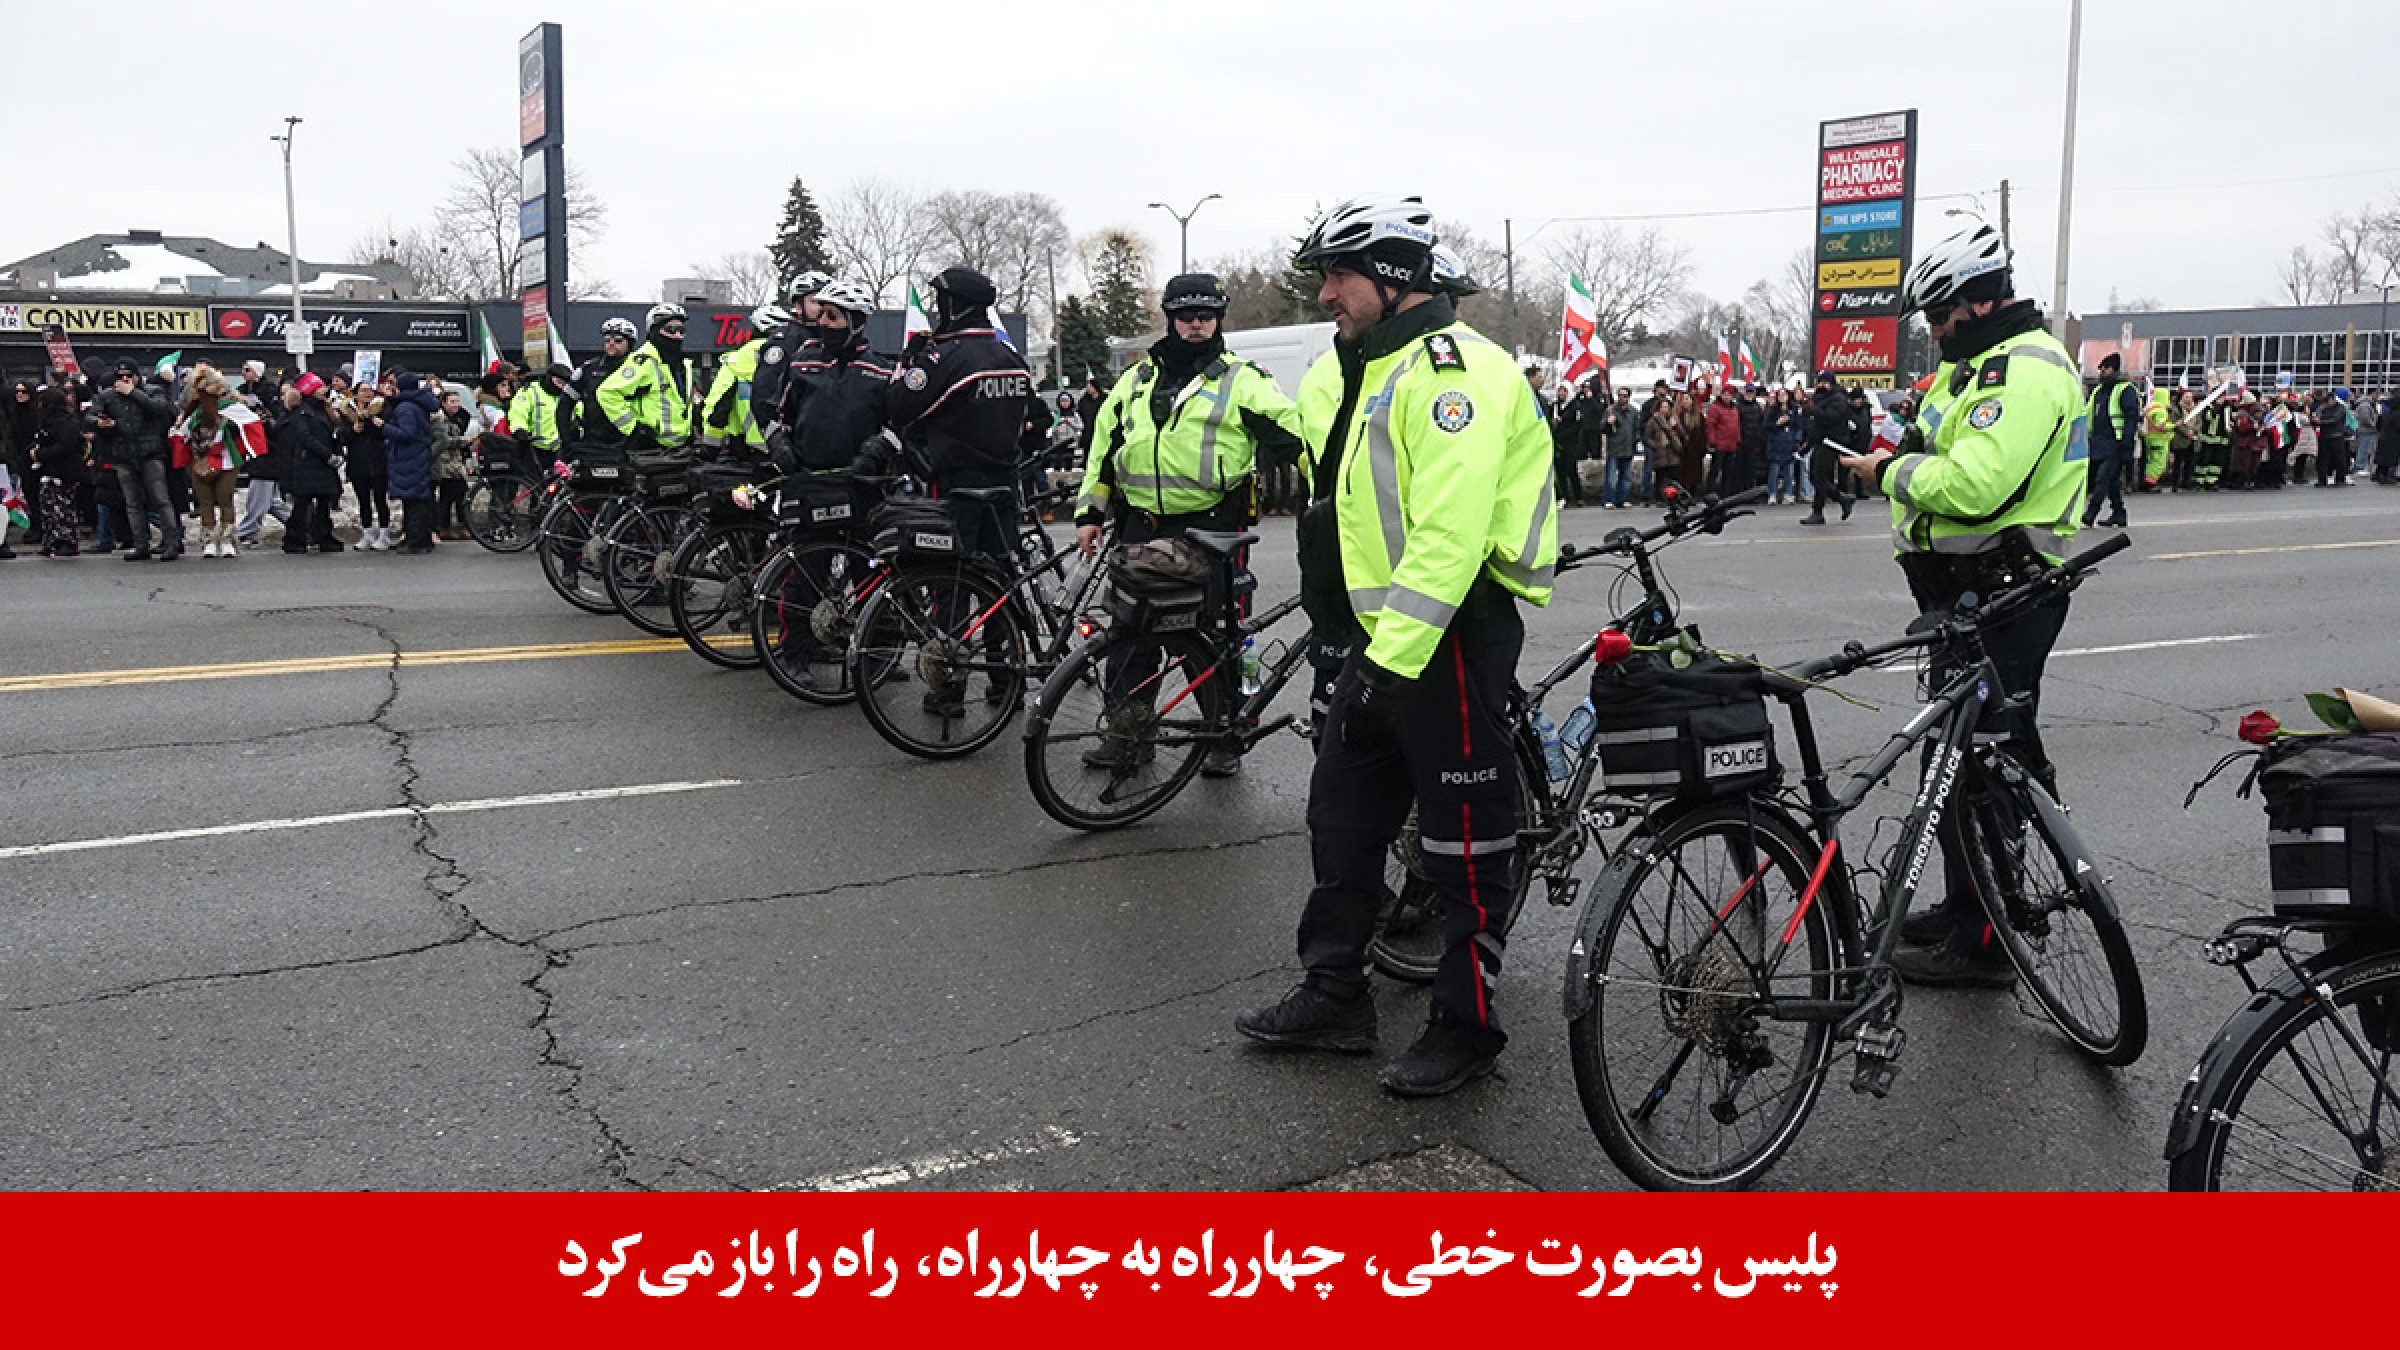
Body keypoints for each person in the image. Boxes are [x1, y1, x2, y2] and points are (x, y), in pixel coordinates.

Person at [1235, 195, 1556, 1097]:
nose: (1326, 293)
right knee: (1340, 821)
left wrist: (1392, 661)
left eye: (1338, 275)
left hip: (1447, 637)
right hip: (1376, 641)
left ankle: (1468, 1025)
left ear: (1395, 278)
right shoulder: (1359, 363)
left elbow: (1448, 541)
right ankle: (1335, 993)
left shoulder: (1455, 374)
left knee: (1462, 845)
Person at [1838, 221, 2087, 988]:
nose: (1932, 330)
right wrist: (1896, 453)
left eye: (1938, 315)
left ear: (1976, 303)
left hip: (2008, 592)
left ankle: (1984, 941)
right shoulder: (1972, 366)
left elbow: (1976, 488)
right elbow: (1929, 444)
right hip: (1962, 594)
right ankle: (1966, 905)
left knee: (1984, 765)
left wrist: (1888, 474)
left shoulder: (2024, 369)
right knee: (1956, 760)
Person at [1073, 272, 1306, 778]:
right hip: (1140, 527)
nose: (1196, 323)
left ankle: (1223, 731)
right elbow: (1104, 450)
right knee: (1131, 634)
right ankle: (1127, 735)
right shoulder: (1135, 381)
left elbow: (1297, 439)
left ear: (1219, 318)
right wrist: (1090, 513)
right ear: (1170, 319)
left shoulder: (1243, 379)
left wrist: (1329, 502)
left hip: (1212, 529)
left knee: (1216, 636)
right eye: (1185, 315)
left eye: (1206, 315)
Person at [95, 365, 176, 560]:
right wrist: (101, 423)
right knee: (133, 503)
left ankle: (172, 543)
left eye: (128, 375)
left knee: (161, 500)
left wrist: (133, 393)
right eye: (120, 376)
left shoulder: (152, 391)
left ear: (137, 377)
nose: (124, 379)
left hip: (150, 454)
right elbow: (91, 415)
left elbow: (160, 408)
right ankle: (141, 545)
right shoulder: (108, 396)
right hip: (123, 455)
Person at [596, 305, 695, 451]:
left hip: (680, 446)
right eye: (671, 330)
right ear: (655, 330)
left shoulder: (684, 364)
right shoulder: (644, 361)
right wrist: (634, 430)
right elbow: (607, 393)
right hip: (651, 449)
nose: (678, 336)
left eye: (682, 330)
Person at [748, 273, 830, 435]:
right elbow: (764, 394)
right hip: (796, 437)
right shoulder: (785, 342)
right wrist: (776, 438)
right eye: (815, 301)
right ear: (798, 306)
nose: (822, 307)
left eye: (826, 302)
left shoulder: (834, 339)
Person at [702, 303, 789, 456]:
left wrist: (711, 446)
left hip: (749, 450)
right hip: (790, 448)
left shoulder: (735, 360)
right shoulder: (796, 355)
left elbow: (717, 406)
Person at [278, 373, 345, 553]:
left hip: (323, 464)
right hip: (308, 462)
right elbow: (305, 436)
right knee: (302, 502)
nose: (325, 389)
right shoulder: (301, 411)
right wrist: (327, 455)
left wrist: (337, 449)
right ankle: (294, 537)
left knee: (324, 502)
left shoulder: (324, 409)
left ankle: (323, 535)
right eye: (320, 386)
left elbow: (332, 433)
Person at [383, 372, 439, 554]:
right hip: (416, 456)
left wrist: (384, 427)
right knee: (415, 500)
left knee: (414, 501)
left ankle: (416, 540)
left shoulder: (406, 407)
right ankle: (416, 537)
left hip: (409, 457)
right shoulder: (418, 403)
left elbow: (407, 433)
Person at [2082, 352, 2138, 527]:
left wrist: (2126, 442)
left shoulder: (2125, 389)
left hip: (2116, 443)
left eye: (2104, 368)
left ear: (2113, 369)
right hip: (2098, 442)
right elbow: (2088, 415)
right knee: (2111, 481)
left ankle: (2091, 513)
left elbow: (2131, 417)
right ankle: (2119, 513)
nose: (2101, 372)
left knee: (2103, 478)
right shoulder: (2098, 391)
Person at [29, 386, 85, 558]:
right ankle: (51, 541)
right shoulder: (44, 425)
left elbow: (65, 447)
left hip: (63, 472)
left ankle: (67, 541)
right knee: (48, 508)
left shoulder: (66, 424)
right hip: (47, 472)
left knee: (63, 508)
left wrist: (40, 454)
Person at [340, 379, 392, 549]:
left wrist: (374, 422)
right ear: (355, 394)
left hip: (378, 461)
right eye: (363, 390)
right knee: (363, 501)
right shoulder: (346, 412)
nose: (367, 393)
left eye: (370, 390)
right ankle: (367, 534)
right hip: (358, 462)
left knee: (380, 499)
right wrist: (352, 431)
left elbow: (386, 431)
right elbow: (342, 437)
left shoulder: (381, 409)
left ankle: (384, 535)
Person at [1800, 371, 1856, 525]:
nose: (1821, 385)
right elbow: (1814, 423)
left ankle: (1818, 511)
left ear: (1831, 383)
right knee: (1815, 476)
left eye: (1825, 382)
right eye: (1819, 382)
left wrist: (1813, 409)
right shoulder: (1819, 399)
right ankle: (1842, 499)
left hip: (1832, 441)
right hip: (1819, 441)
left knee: (1819, 476)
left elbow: (1829, 418)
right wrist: (1807, 442)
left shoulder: (1838, 399)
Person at [573, 317, 640, 444]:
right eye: (607, 340)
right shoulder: (588, 369)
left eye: (618, 340)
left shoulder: (641, 369)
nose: (611, 343)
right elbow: (565, 404)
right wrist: (567, 440)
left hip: (630, 442)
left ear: (630, 344)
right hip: (594, 442)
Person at [507, 363, 576, 463]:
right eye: (558, 382)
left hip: (562, 449)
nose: (561, 386)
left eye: (564, 384)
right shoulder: (530, 391)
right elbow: (518, 412)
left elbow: (579, 411)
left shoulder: (568, 395)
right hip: (534, 449)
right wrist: (520, 430)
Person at [429, 386, 474, 540]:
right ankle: (446, 527)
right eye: (452, 401)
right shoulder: (440, 419)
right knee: (449, 496)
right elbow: (445, 441)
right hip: (445, 462)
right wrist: (462, 441)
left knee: (459, 494)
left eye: (457, 401)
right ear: (444, 403)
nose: (456, 405)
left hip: (455, 461)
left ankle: (457, 526)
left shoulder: (459, 418)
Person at [2316, 389, 2353, 486]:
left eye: (2328, 401)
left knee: (2339, 459)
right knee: (2322, 459)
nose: (2326, 404)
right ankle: (2322, 479)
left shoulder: (2340, 408)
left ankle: (2340, 479)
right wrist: (2316, 419)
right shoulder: (2322, 407)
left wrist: (2321, 421)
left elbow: (2335, 419)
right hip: (2324, 436)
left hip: (2337, 436)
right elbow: (2316, 416)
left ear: (2333, 399)